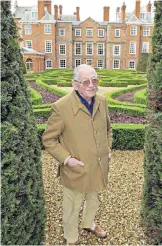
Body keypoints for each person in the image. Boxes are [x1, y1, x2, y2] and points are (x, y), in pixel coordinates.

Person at [42, 64, 113, 245]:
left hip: (97, 166)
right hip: (76, 170)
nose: (91, 85)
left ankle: (89, 223)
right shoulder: (61, 107)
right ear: (75, 84)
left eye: (94, 80)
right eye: (85, 81)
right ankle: (71, 238)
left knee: (93, 200)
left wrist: (107, 149)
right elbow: (49, 140)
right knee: (72, 208)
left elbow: (108, 129)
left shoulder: (102, 101)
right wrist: (67, 159)